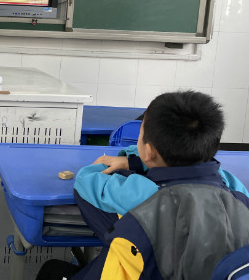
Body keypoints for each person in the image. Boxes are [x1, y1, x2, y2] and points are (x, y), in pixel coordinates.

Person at [38, 90, 249, 280]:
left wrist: (134, 161)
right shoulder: (237, 194)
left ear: (148, 151)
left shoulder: (142, 197)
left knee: (52, 270)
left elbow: (87, 179)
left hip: (136, 267)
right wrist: (139, 162)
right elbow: (210, 171)